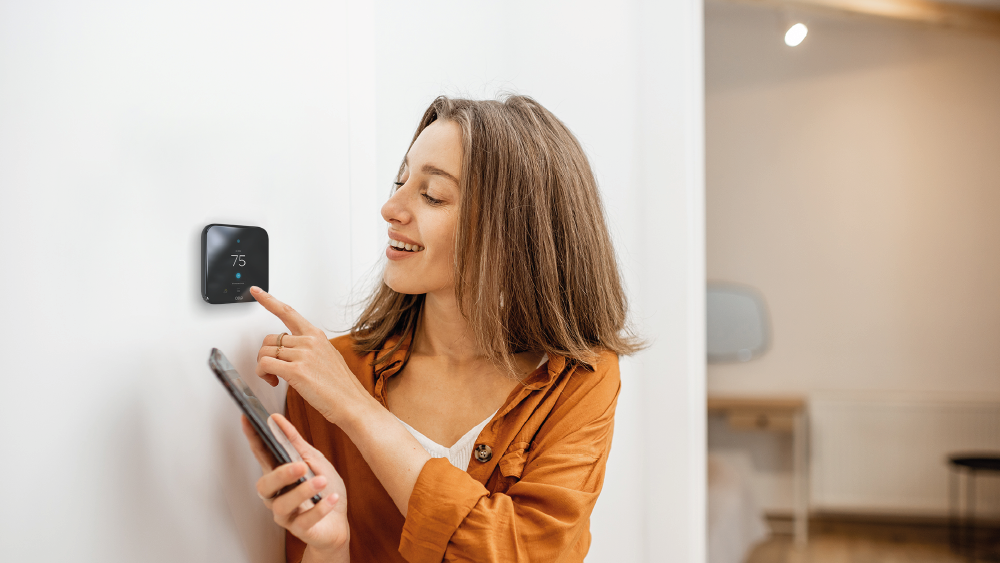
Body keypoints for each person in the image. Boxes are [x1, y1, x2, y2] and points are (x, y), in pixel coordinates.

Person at [241, 95, 642, 563]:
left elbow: (522, 553)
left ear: (514, 230)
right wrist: (328, 545)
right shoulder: (330, 372)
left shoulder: (580, 378)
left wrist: (358, 410)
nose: (391, 207)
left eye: (431, 195)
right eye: (401, 181)